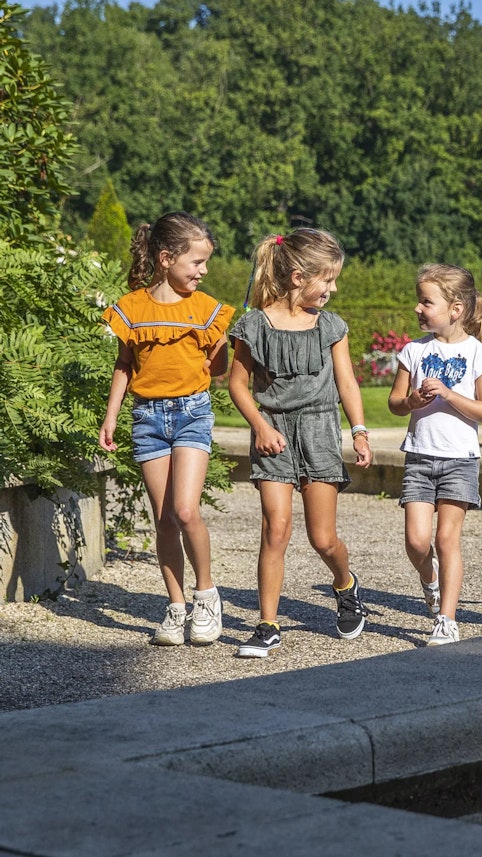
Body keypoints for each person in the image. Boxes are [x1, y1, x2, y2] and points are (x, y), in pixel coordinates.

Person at [227, 228, 373, 658]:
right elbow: (237, 385)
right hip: (273, 434)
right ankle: (267, 624)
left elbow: (346, 382)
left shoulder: (331, 325)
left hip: (320, 431)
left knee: (323, 538)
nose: (333, 287)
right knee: (275, 530)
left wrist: (360, 430)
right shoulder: (253, 324)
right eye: (326, 279)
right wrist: (260, 426)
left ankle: (345, 586)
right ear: (296, 277)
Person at [99, 212, 234, 646]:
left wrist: (222, 346)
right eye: (196, 262)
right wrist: (111, 415)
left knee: (186, 510)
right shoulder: (132, 308)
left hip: (193, 412)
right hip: (147, 418)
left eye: (205, 263)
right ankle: (176, 608)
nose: (203, 270)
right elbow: (124, 365)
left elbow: (217, 371)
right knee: (163, 521)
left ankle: (207, 596)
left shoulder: (206, 309)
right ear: (165, 258)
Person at [388, 264, 482, 646]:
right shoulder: (413, 350)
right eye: (418, 300)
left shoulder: (478, 353)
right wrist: (412, 400)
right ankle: (429, 578)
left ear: (455, 308)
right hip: (419, 456)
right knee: (418, 542)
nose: (418, 308)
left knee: (447, 539)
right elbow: (395, 403)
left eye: (425, 302)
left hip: (460, 460)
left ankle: (447, 620)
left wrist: (450, 395)